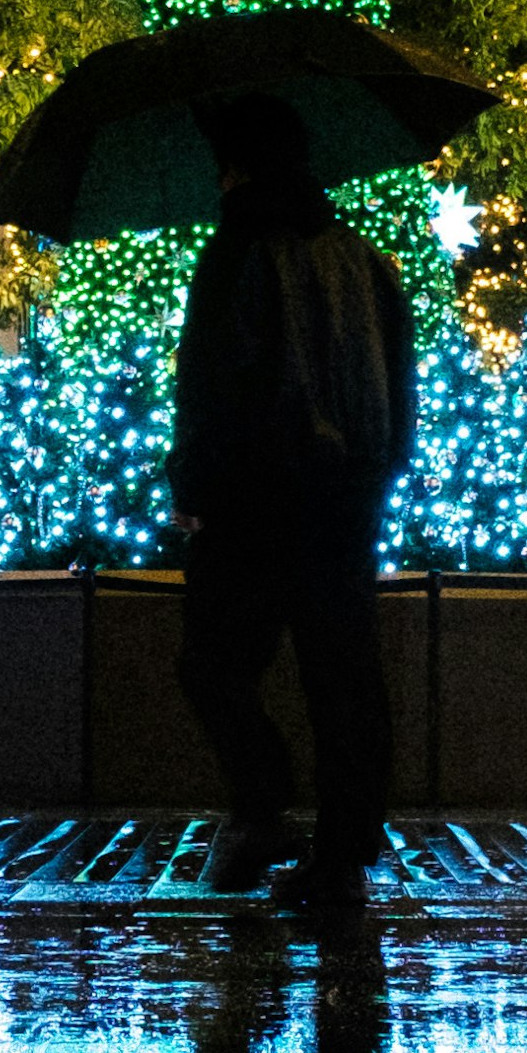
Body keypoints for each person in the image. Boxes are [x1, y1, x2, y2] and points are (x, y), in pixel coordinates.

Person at [171, 90, 415, 907]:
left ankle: (263, 800)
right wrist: (381, 468)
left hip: (254, 492)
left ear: (237, 162)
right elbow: (400, 379)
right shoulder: (361, 257)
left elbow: (210, 381)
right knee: (342, 672)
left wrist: (197, 484)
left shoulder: (237, 250)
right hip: (348, 493)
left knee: (212, 662)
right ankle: (341, 852)